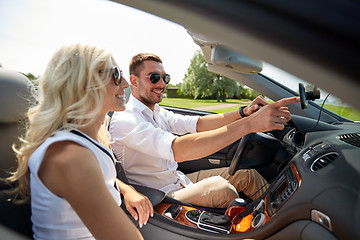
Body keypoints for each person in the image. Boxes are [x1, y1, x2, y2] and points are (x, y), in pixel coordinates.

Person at [109, 53, 300, 208]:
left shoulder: (157, 112)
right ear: (134, 81)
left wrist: (244, 112)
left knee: (246, 175)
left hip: (179, 180)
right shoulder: (127, 119)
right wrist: (249, 124)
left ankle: (277, 216)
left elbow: (198, 123)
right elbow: (178, 150)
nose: (162, 84)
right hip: (161, 195)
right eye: (154, 77)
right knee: (221, 189)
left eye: (165, 78)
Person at [6, 44, 153, 240]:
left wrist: (126, 189)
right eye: (115, 74)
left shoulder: (83, 142)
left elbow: (94, 176)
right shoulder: (71, 156)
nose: (126, 83)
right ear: (82, 84)